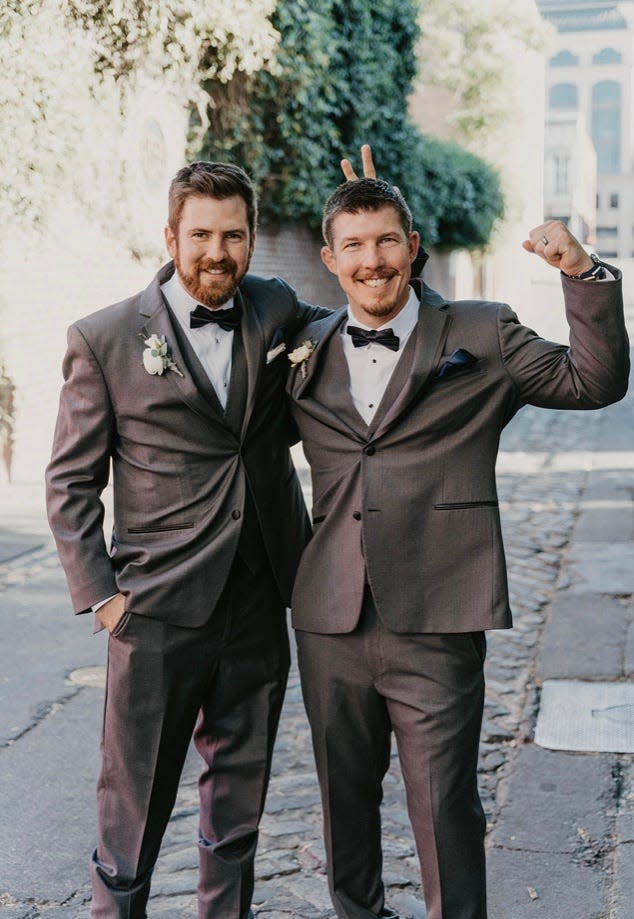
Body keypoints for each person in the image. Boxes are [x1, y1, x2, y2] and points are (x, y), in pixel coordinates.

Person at [286, 162, 630, 919]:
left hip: (440, 612)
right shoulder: (302, 346)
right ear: (330, 258)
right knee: (342, 801)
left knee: (444, 805)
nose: (371, 260)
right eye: (353, 245)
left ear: (412, 246)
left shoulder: (480, 331)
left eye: (385, 242)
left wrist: (582, 270)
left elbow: (595, 382)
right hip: (329, 617)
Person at [45, 161, 333, 918]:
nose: (217, 250)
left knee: (239, 808)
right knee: (132, 806)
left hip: (260, 597)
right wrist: (104, 598)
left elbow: (366, 320)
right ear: (170, 236)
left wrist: (399, 250)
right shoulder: (105, 338)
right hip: (156, 610)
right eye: (200, 233)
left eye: (233, 234)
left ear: (252, 238)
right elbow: (71, 482)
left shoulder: (277, 310)